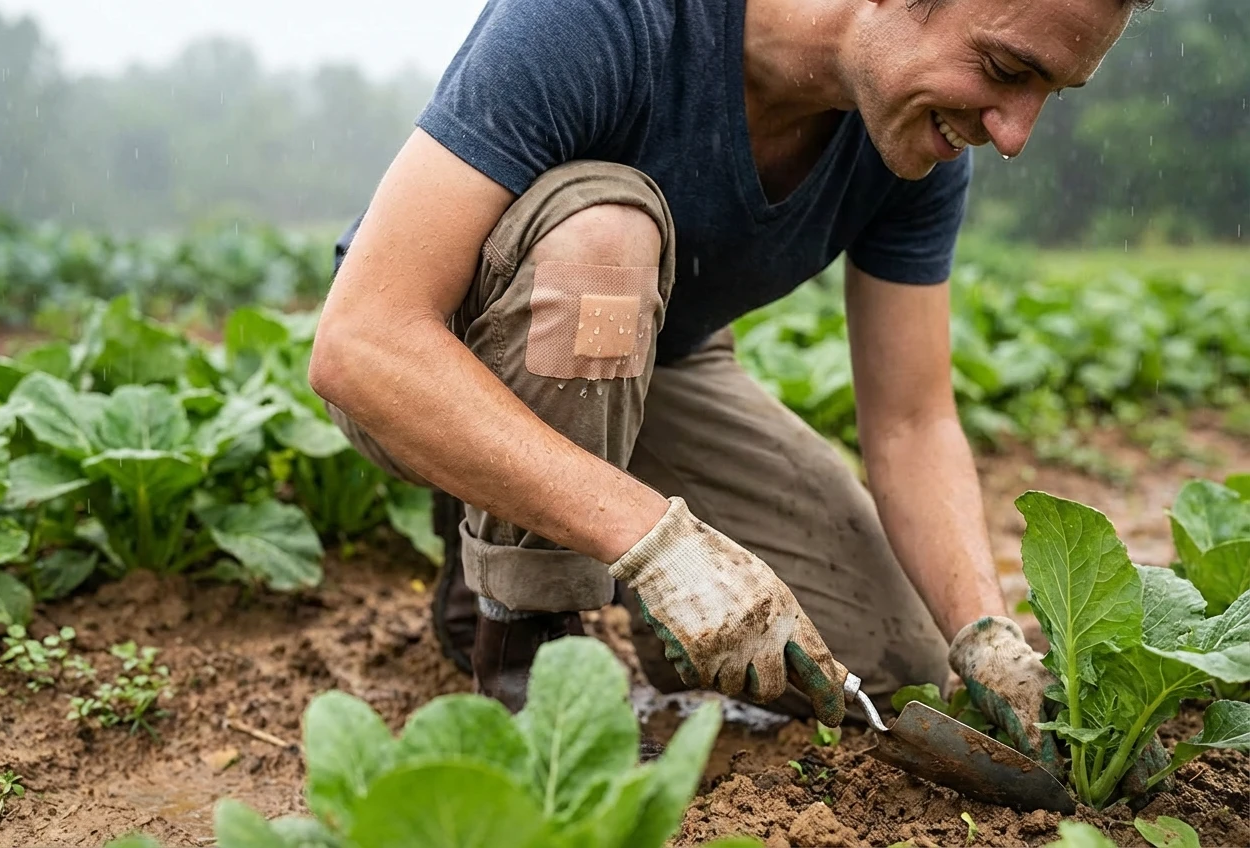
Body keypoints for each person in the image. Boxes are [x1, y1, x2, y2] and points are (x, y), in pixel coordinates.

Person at [308, 0, 1145, 765]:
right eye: (1005, 70)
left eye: (1051, 92)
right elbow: (364, 341)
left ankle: (530, 513)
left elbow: (912, 423)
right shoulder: (601, 18)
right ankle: (522, 635)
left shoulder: (915, 139)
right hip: (438, 362)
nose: (1015, 133)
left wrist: (982, 632)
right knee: (605, 235)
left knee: (898, 660)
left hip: (663, 368)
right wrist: (660, 545)